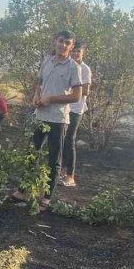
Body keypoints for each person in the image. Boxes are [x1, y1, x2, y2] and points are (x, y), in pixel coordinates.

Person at [31, 30, 82, 206]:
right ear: (55, 41)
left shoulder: (73, 67)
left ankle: (46, 197)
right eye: (61, 41)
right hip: (40, 116)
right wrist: (36, 96)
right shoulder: (47, 61)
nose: (63, 45)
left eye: (68, 43)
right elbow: (39, 82)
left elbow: (76, 96)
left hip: (59, 120)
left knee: (54, 160)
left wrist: (51, 99)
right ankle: (24, 191)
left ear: (72, 46)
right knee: (32, 154)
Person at [61, 42, 92, 187]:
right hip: (64, 108)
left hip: (76, 108)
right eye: (74, 51)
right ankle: (61, 171)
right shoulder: (67, 65)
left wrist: (71, 92)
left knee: (70, 140)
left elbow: (85, 91)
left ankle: (70, 176)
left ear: (82, 53)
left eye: (78, 52)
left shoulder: (85, 69)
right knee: (61, 140)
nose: (75, 54)